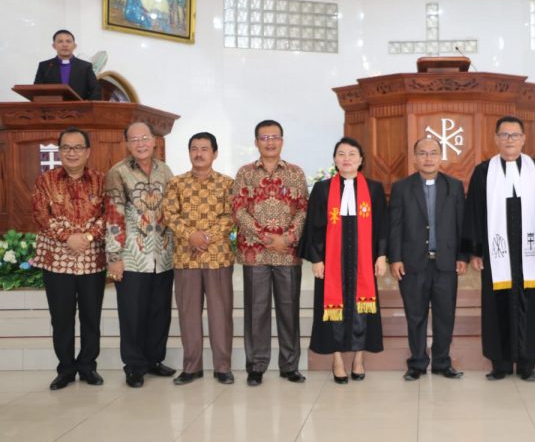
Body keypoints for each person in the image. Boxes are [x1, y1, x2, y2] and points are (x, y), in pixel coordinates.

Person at [462, 116, 535, 382]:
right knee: (496, 303)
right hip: (496, 252)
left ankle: (527, 363)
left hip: (529, 251)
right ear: (496, 139)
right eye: (504, 135)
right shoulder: (483, 171)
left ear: (524, 139)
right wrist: (476, 250)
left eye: (514, 135)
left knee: (531, 301)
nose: (509, 140)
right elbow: (474, 212)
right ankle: (499, 363)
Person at [301, 137, 388, 384]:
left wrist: (381, 255)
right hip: (332, 262)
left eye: (352, 154)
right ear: (334, 159)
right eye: (341, 154)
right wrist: (316, 258)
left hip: (364, 261)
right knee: (332, 311)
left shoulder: (373, 189)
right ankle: (337, 359)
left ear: (361, 160)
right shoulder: (323, 189)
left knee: (363, 308)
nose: (346, 158)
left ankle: (359, 358)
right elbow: (314, 227)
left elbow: (382, 225)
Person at [232, 120, 308, 386]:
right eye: (264, 137)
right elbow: (239, 211)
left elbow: (303, 210)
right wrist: (266, 238)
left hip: (287, 253)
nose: (270, 142)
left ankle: (290, 366)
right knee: (257, 311)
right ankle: (256, 366)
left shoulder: (296, 173)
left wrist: (287, 238)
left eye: (275, 137)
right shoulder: (245, 173)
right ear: (256, 142)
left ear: (282, 141)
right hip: (256, 254)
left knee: (289, 311)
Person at [30, 127, 106, 390]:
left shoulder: (101, 180)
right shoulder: (45, 180)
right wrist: (67, 237)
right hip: (56, 260)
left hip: (91, 258)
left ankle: (87, 366)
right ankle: (65, 368)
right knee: (61, 317)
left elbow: (110, 216)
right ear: (59, 151)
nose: (71, 153)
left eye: (77, 148)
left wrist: (86, 238)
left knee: (90, 316)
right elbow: (40, 214)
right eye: (66, 148)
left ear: (87, 151)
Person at [389, 137, 468, 381]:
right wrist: (395, 258)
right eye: (422, 153)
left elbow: (461, 224)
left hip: (445, 263)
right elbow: (395, 226)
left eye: (433, 153)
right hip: (413, 263)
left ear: (440, 156)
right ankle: (417, 363)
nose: (428, 157)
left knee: (445, 314)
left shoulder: (454, 186)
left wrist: (462, 255)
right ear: (415, 158)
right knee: (415, 314)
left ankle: (443, 362)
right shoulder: (402, 187)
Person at [105, 121, 176, 388]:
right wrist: (115, 257)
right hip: (133, 256)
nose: (141, 144)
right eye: (134, 140)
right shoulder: (118, 172)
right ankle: (134, 366)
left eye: (144, 138)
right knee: (132, 314)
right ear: (127, 144)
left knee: (160, 311)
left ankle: (154, 360)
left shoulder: (164, 170)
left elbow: (171, 209)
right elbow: (113, 215)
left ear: (154, 141)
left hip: (163, 254)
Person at [163, 132, 235, 385]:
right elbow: (170, 214)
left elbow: (230, 216)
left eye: (205, 149)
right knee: (188, 314)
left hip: (218, 258)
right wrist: (190, 235)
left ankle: (223, 367)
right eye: (194, 148)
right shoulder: (176, 183)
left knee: (220, 314)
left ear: (215, 153)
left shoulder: (227, 183)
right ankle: (191, 367)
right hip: (186, 258)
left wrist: (207, 237)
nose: (199, 153)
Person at [34, 29, 101, 100]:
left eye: (68, 41)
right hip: (52, 109)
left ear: (74, 46)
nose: (65, 45)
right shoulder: (45, 67)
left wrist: (86, 107)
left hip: (79, 109)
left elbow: (95, 91)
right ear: (54, 46)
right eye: (60, 41)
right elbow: (36, 91)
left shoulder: (85, 66)